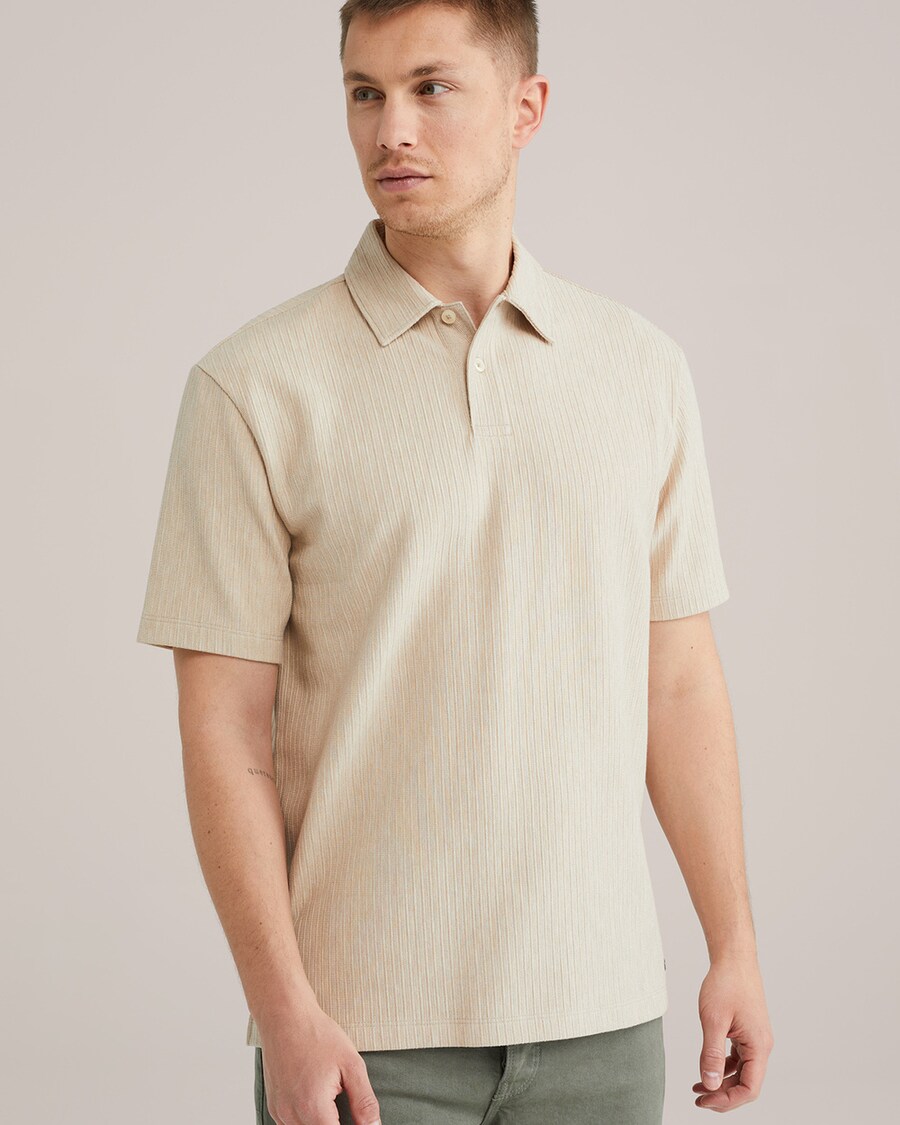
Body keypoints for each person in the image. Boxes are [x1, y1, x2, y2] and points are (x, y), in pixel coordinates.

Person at [136, 1, 774, 1121]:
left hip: (606, 1023)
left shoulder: (641, 371)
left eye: (431, 88)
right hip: (359, 1039)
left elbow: (676, 683)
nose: (391, 130)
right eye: (365, 93)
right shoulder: (252, 387)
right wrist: (284, 1011)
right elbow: (224, 730)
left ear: (527, 108)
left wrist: (735, 945)